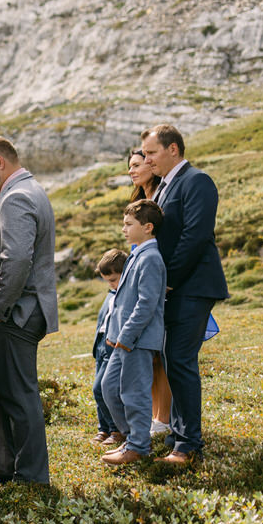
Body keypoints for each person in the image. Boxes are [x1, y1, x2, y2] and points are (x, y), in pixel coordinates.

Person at [0, 136, 58, 486]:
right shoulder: (26, 190)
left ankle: (33, 476)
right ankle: (8, 465)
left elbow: (18, 259)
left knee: (20, 396)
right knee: (7, 392)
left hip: (16, 313)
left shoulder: (17, 196)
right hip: (18, 310)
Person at [141, 124, 228, 466]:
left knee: (180, 360)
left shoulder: (197, 181)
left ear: (173, 149)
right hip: (176, 288)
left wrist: (168, 281)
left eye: (151, 153)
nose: (146, 160)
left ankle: (189, 446)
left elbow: (195, 235)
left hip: (192, 286)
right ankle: (179, 436)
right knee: (171, 359)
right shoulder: (164, 186)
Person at [101, 200, 168, 466]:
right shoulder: (137, 253)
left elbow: (146, 304)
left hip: (136, 340)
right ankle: (133, 438)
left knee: (134, 392)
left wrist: (126, 336)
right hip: (122, 339)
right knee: (109, 387)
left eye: (129, 224)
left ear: (148, 227)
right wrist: (114, 331)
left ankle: (139, 446)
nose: (124, 229)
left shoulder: (151, 258)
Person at [128, 147, 172, 436]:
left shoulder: (159, 199)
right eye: (129, 166)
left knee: (161, 352)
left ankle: (164, 417)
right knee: (152, 355)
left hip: (156, 282)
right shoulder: (137, 201)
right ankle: (157, 416)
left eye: (136, 165)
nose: (131, 171)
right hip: (139, 275)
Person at [90, 249, 129, 447]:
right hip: (101, 345)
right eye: (108, 281)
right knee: (97, 387)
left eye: (114, 279)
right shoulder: (112, 293)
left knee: (102, 388)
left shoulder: (126, 294)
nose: (111, 284)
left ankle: (117, 429)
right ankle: (103, 428)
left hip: (114, 345)